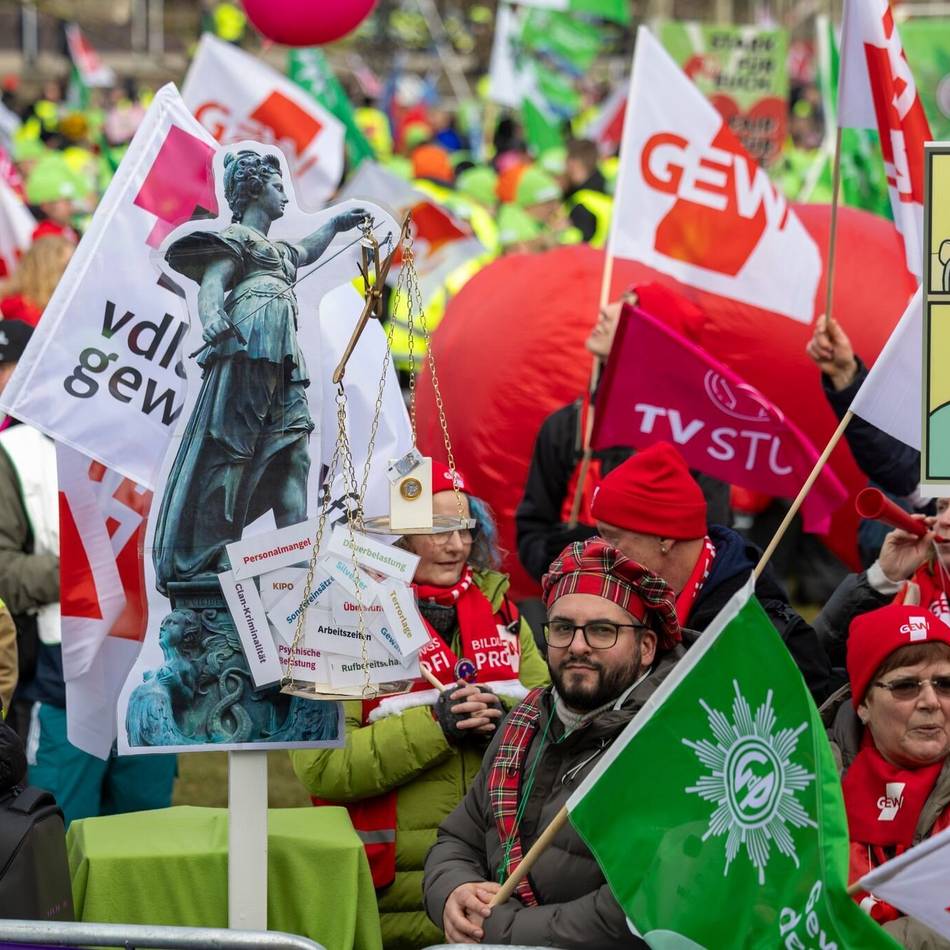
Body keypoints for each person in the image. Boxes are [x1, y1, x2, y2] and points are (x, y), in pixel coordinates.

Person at [291, 464, 549, 949]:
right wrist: (438, 725)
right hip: (389, 892)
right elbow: (321, 765)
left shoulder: (502, 612)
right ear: (393, 535)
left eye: (465, 527)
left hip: (499, 883)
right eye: (436, 529)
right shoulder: (340, 619)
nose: (456, 546)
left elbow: (553, 731)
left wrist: (501, 725)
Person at [423, 537, 683, 947]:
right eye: (563, 628)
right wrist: (453, 892)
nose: (577, 646)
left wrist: (499, 929)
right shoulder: (525, 721)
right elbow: (458, 838)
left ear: (646, 646)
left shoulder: (667, 743)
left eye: (602, 630)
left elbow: (632, 908)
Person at [151, 149, 368, 593]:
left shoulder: (279, 251)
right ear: (253, 190)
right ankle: (209, 548)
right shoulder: (239, 239)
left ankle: (299, 567)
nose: (284, 196)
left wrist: (336, 225)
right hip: (251, 345)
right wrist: (211, 316)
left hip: (283, 354)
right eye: (277, 187)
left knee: (295, 452)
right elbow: (212, 284)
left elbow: (306, 251)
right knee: (233, 447)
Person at [0, 320, 176, 823]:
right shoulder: (16, 453)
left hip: (153, 671)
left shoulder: (154, 446)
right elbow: (4, 570)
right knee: (64, 833)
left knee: (147, 833)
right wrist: (89, 568)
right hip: (65, 677)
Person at [516, 283, 730, 587]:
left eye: (629, 309)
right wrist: (555, 557)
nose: (605, 311)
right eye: (617, 302)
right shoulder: (566, 426)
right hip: (573, 596)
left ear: (656, 339)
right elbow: (532, 528)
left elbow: (713, 540)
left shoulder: (693, 436)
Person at [591, 441, 832, 701]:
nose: (601, 550)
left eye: (613, 539)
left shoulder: (756, 623)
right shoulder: (631, 592)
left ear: (664, 537)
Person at [826, 604, 950, 947]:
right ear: (864, 703)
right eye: (906, 686)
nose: (930, 701)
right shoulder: (808, 779)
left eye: (945, 684)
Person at [815, 509, 950, 670]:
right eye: (942, 506)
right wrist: (880, 580)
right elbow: (815, 661)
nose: (945, 520)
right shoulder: (902, 591)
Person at [0, 234, 74, 325]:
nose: (73, 274)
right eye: (65, 267)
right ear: (45, 271)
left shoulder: (46, 307)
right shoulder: (21, 310)